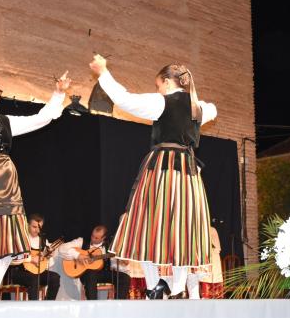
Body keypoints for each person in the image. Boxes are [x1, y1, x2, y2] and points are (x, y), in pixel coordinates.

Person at [89, 55, 217, 299]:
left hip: (163, 168)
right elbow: (213, 108)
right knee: (182, 226)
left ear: (168, 83)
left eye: (158, 85)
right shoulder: (199, 108)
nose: (157, 89)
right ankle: (175, 286)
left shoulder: (161, 102)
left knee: (147, 222)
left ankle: (154, 284)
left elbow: (124, 100)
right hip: (188, 174)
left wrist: (103, 72)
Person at [0, 69, 69, 301]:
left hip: (7, 181)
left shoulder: (6, 121)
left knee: (9, 239)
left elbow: (41, 118)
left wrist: (58, 94)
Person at [60, 225, 130, 300]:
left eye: (96, 238)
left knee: (124, 277)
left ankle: (118, 304)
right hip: (87, 275)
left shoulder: (110, 245)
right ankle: (93, 304)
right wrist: (78, 256)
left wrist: (122, 260)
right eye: (92, 236)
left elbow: (121, 263)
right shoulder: (82, 241)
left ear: (103, 238)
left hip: (104, 274)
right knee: (91, 274)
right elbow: (62, 248)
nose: (93, 239)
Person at [9, 213, 60, 300]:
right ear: (27, 225)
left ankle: (48, 304)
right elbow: (12, 257)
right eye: (34, 227)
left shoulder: (43, 241)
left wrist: (48, 256)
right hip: (19, 272)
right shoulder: (21, 238)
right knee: (34, 279)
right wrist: (31, 259)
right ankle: (34, 307)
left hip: (37, 272)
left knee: (55, 277)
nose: (37, 230)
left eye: (39, 227)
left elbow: (49, 264)